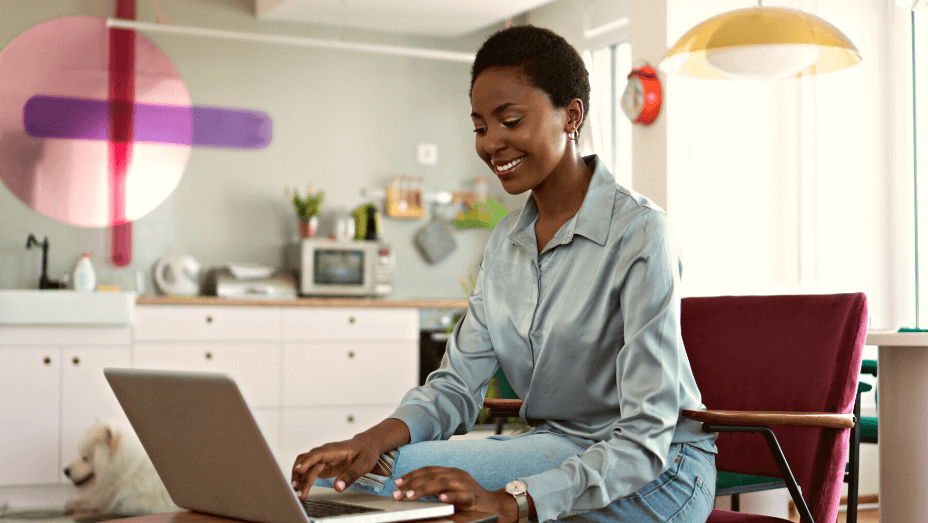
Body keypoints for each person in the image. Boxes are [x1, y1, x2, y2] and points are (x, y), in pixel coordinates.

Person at [291, 25, 718, 523]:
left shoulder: (640, 233)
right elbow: (455, 386)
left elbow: (647, 435)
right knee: (353, 478)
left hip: (658, 471)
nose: (492, 143)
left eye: (509, 120)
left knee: (420, 496)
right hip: (555, 448)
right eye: (479, 127)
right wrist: (369, 441)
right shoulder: (505, 243)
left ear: (572, 116)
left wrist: (514, 500)